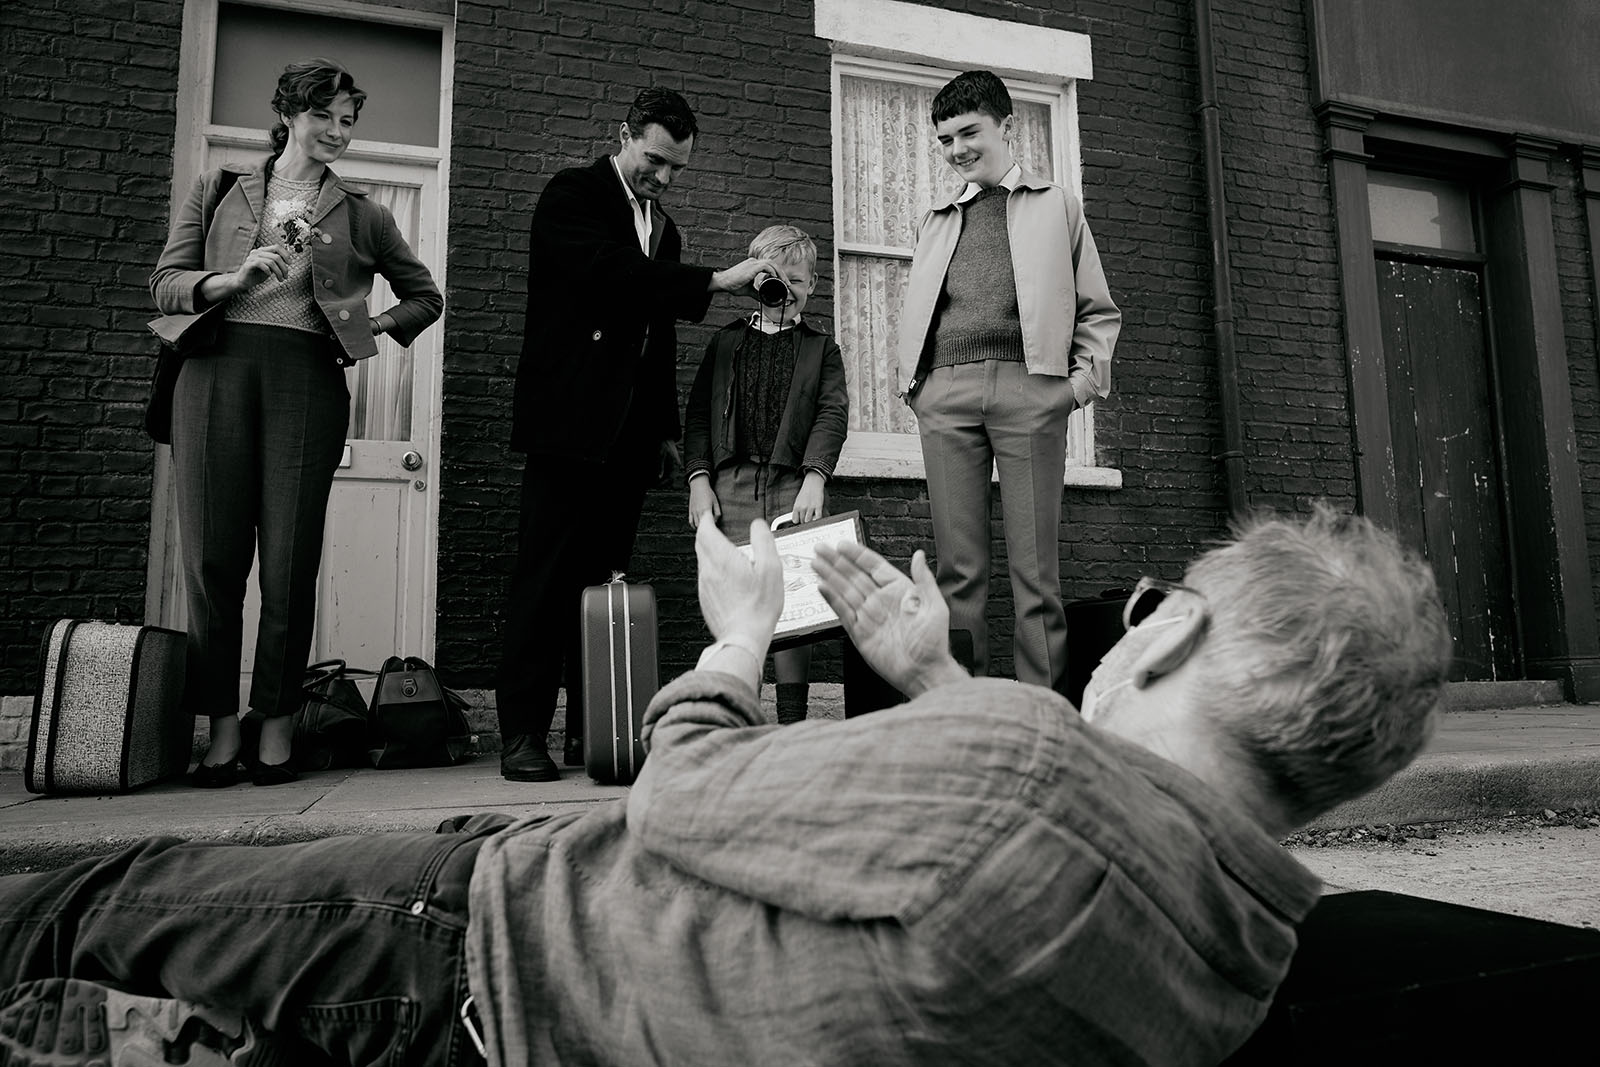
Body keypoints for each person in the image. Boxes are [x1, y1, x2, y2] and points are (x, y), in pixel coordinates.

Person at [0, 502, 1451, 1066]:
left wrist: (740, 630)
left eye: (1154, 603)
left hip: (479, 944)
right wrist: (938, 675)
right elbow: (1033, 857)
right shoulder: (1243, 947)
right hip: (570, 1000)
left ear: (1178, 626)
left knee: (90, 903)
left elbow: (676, 788)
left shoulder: (1020, 766)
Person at [149, 59, 443, 788]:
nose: (339, 132)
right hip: (213, 370)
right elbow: (166, 282)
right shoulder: (220, 190)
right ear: (289, 113)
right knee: (213, 563)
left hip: (307, 380)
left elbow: (425, 296)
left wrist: (361, 329)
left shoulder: (364, 212)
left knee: (287, 562)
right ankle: (221, 732)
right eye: (326, 117)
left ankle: (275, 726)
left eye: (349, 121)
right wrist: (229, 278)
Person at [497, 87, 781, 782]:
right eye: (656, 160)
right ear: (623, 134)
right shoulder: (572, 196)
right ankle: (522, 733)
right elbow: (609, 276)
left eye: (677, 168)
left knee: (602, 585)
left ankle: (592, 729)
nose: (664, 178)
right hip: (568, 423)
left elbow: (654, 342)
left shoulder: (665, 229)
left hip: (626, 435)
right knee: (543, 581)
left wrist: (662, 431)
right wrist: (716, 281)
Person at [897, 69, 1122, 691]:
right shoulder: (935, 219)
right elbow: (922, 310)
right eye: (945, 139)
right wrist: (915, 389)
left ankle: (1040, 716)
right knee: (957, 572)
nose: (957, 149)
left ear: (1006, 126)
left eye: (969, 132)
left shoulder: (1057, 206)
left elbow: (1098, 310)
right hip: (945, 394)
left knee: (1035, 572)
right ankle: (966, 715)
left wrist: (1074, 391)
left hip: (1030, 390)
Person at [682, 224, 849, 724]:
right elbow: (696, 417)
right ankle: (740, 715)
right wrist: (698, 480)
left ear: (813, 285)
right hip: (729, 486)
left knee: (791, 605)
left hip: (792, 487)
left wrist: (816, 477)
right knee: (737, 605)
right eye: (777, 280)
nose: (788, 291)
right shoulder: (726, 343)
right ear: (756, 280)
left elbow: (831, 414)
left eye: (798, 282)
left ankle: (792, 723)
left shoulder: (822, 349)